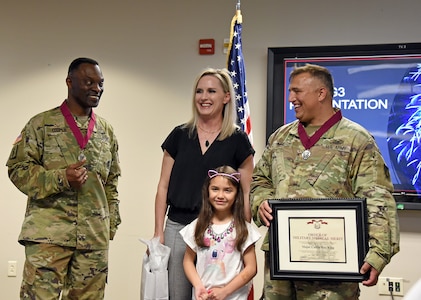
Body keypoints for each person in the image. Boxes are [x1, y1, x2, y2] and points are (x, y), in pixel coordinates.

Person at [251, 64, 400, 299]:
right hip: (282, 264)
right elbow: (260, 180)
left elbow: (377, 197)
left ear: (321, 93)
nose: (291, 98)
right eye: (290, 91)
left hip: (333, 268)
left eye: (297, 91)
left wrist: (378, 254)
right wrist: (261, 202)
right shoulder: (280, 137)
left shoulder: (357, 139)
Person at [6, 57, 121, 300]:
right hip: (48, 236)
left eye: (101, 83)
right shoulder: (41, 125)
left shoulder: (106, 132)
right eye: (88, 82)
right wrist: (61, 178)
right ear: (69, 82)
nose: (97, 88)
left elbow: (112, 182)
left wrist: (109, 225)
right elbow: (17, 169)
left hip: (93, 240)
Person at [153, 68, 255, 299]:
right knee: (177, 295)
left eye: (211, 91)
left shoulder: (238, 140)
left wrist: (243, 234)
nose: (204, 97)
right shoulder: (179, 135)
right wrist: (159, 231)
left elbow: (246, 192)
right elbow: (162, 187)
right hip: (178, 227)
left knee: (212, 295)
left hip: (221, 231)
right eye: (199, 91)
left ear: (226, 97)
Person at [180, 166, 261, 300]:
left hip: (234, 297)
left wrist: (225, 292)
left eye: (228, 190)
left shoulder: (244, 229)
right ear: (207, 191)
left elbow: (251, 268)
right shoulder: (196, 226)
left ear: (236, 194)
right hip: (204, 297)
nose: (220, 195)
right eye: (215, 189)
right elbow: (188, 261)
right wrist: (198, 286)